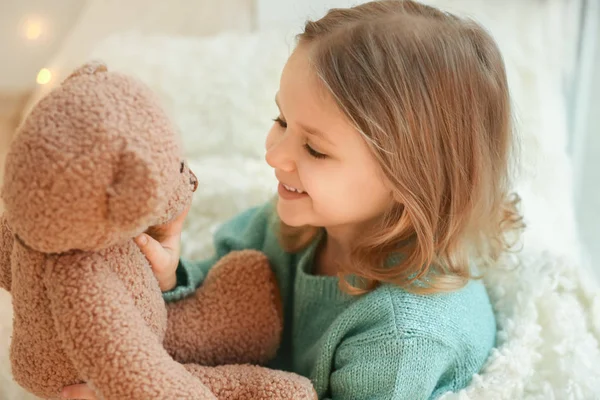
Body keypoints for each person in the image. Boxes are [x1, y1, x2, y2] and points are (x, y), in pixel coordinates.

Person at [62, 0, 523, 398]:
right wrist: (169, 276)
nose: (274, 154)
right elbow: (224, 291)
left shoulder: (403, 338)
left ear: (411, 179)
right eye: (281, 120)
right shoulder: (296, 223)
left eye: (316, 149)